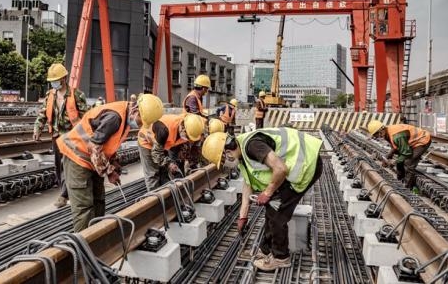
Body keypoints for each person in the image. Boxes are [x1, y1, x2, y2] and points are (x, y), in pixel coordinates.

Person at [202, 128, 323, 271]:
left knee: (278, 212)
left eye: (222, 162)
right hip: (298, 166)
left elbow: (280, 169)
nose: (225, 165)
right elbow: (248, 185)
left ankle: (281, 258)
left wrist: (267, 193)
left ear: (227, 153)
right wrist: (243, 216)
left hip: (306, 165)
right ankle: (266, 250)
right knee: (272, 207)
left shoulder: (252, 146)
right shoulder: (242, 155)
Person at [57, 94, 163, 232]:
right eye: (141, 121)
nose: (140, 125)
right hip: (77, 156)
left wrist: (114, 161)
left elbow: (107, 143)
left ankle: (97, 236)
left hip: (92, 160)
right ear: (136, 110)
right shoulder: (115, 118)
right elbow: (93, 147)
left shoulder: (125, 117)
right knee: (84, 208)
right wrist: (109, 172)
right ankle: (84, 247)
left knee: (99, 201)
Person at [33, 63, 88, 208]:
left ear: (64, 78)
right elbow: (43, 114)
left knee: (68, 166)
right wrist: (38, 129)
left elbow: (85, 118)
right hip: (57, 136)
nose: (53, 83)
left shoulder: (77, 95)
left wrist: (85, 138)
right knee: (59, 167)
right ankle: (65, 192)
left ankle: (64, 195)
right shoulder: (50, 95)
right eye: (52, 81)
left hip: (72, 137)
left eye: (56, 80)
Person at [138, 113, 204, 191]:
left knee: (165, 172)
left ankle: (167, 197)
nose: (187, 139)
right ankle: (154, 199)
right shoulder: (164, 130)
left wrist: (190, 162)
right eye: (187, 137)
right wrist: (169, 164)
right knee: (153, 174)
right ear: (183, 128)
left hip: (164, 144)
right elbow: (157, 154)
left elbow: (184, 151)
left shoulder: (190, 127)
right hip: (147, 142)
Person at [367, 120, 432, 190]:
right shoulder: (387, 133)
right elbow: (395, 147)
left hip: (422, 140)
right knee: (400, 161)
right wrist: (387, 157)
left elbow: (407, 153)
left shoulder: (397, 136)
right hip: (412, 142)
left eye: (375, 135)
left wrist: (394, 162)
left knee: (408, 162)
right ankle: (400, 180)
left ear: (380, 131)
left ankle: (407, 188)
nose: (377, 137)